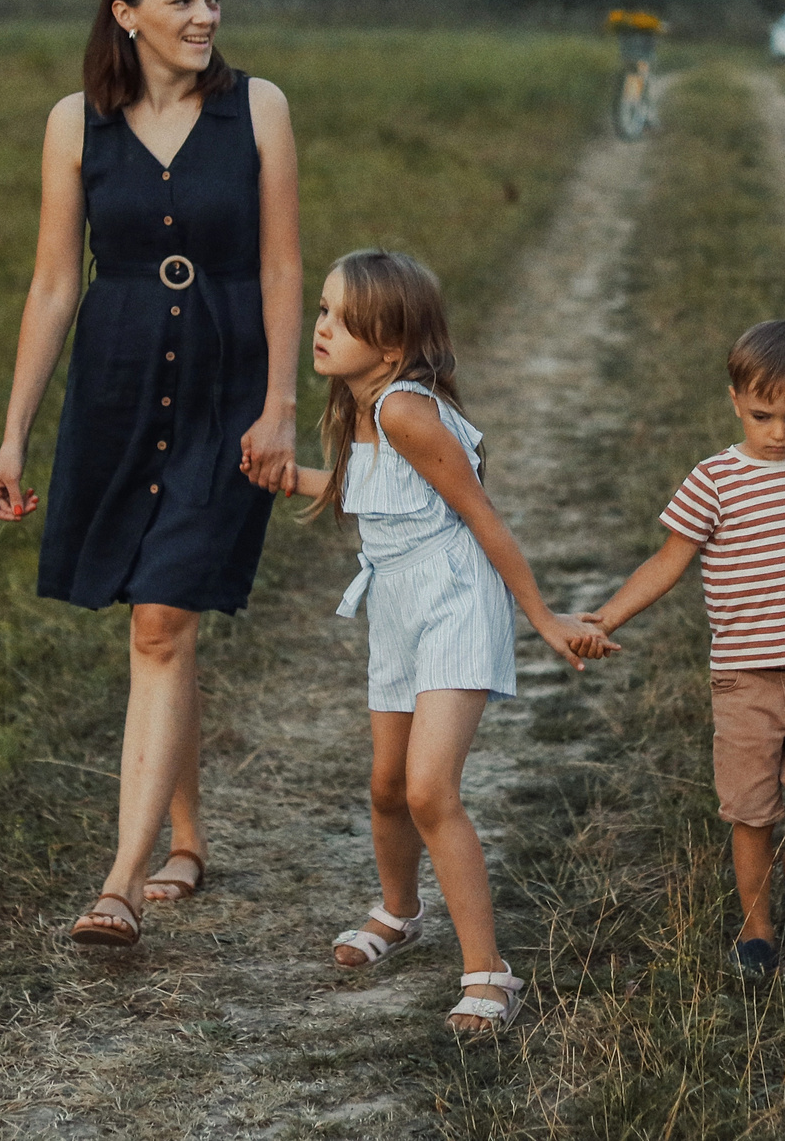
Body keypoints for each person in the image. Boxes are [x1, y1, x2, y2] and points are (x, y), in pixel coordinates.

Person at [0, 0, 302, 950]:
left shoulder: (260, 109)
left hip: (228, 385)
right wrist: (12, 436)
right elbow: (53, 283)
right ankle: (188, 838)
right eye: (182, 0)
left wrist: (281, 402)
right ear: (126, 14)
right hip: (116, 387)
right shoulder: (75, 124)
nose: (206, 18)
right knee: (166, 624)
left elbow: (285, 267)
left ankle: (117, 882)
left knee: (161, 620)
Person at [278, 249, 616, 1031]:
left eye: (338, 317)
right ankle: (400, 911)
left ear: (390, 347)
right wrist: (277, 475)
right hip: (396, 607)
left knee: (430, 789)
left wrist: (542, 616)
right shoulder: (358, 407)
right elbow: (362, 494)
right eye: (321, 310)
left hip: (456, 600)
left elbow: (482, 517)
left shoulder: (403, 408)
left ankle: (490, 971)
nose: (320, 327)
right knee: (386, 785)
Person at [579, 321, 785, 980]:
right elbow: (669, 560)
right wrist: (608, 614)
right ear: (735, 400)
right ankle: (756, 927)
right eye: (763, 415)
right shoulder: (714, 481)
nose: (781, 431)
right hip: (743, 680)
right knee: (752, 811)